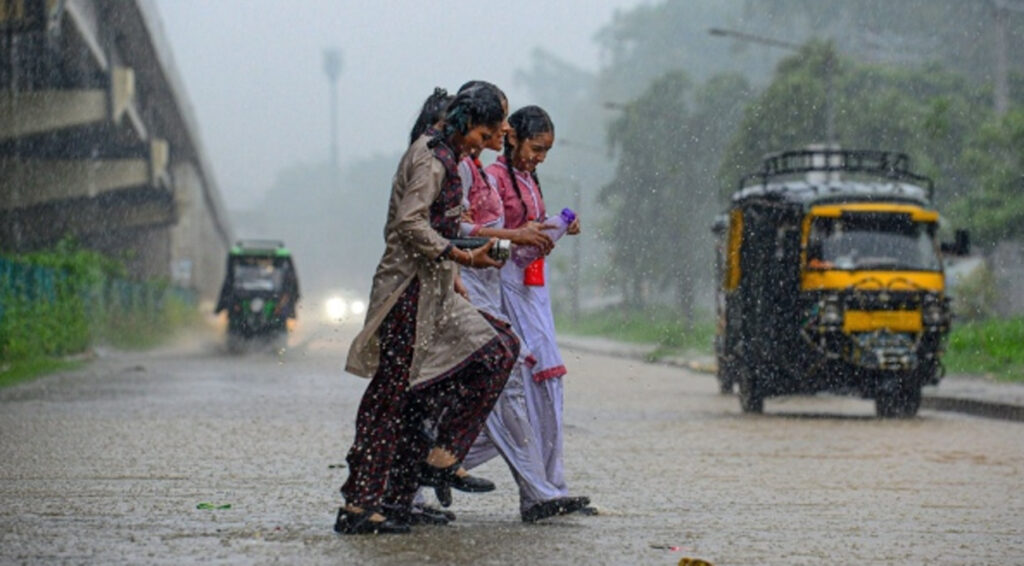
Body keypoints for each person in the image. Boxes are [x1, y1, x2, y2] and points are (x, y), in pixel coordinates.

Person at [335, 85, 519, 535]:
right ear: (464, 123)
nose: (489, 141)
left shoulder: (452, 158)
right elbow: (409, 223)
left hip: (435, 289)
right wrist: (462, 258)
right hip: (406, 294)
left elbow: (442, 223)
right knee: (392, 397)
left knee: (496, 349)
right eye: (485, 131)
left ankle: (432, 465)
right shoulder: (432, 158)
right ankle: (360, 504)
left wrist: (459, 263)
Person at [482, 105, 589, 522]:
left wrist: (553, 227)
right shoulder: (491, 180)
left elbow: (525, 234)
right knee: (517, 394)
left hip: (532, 290)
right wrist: (525, 238)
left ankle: (549, 486)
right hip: (505, 292)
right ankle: (539, 490)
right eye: (536, 148)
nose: (540, 157)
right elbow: (489, 242)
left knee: (546, 389)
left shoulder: (526, 179)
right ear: (511, 138)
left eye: (546, 151)